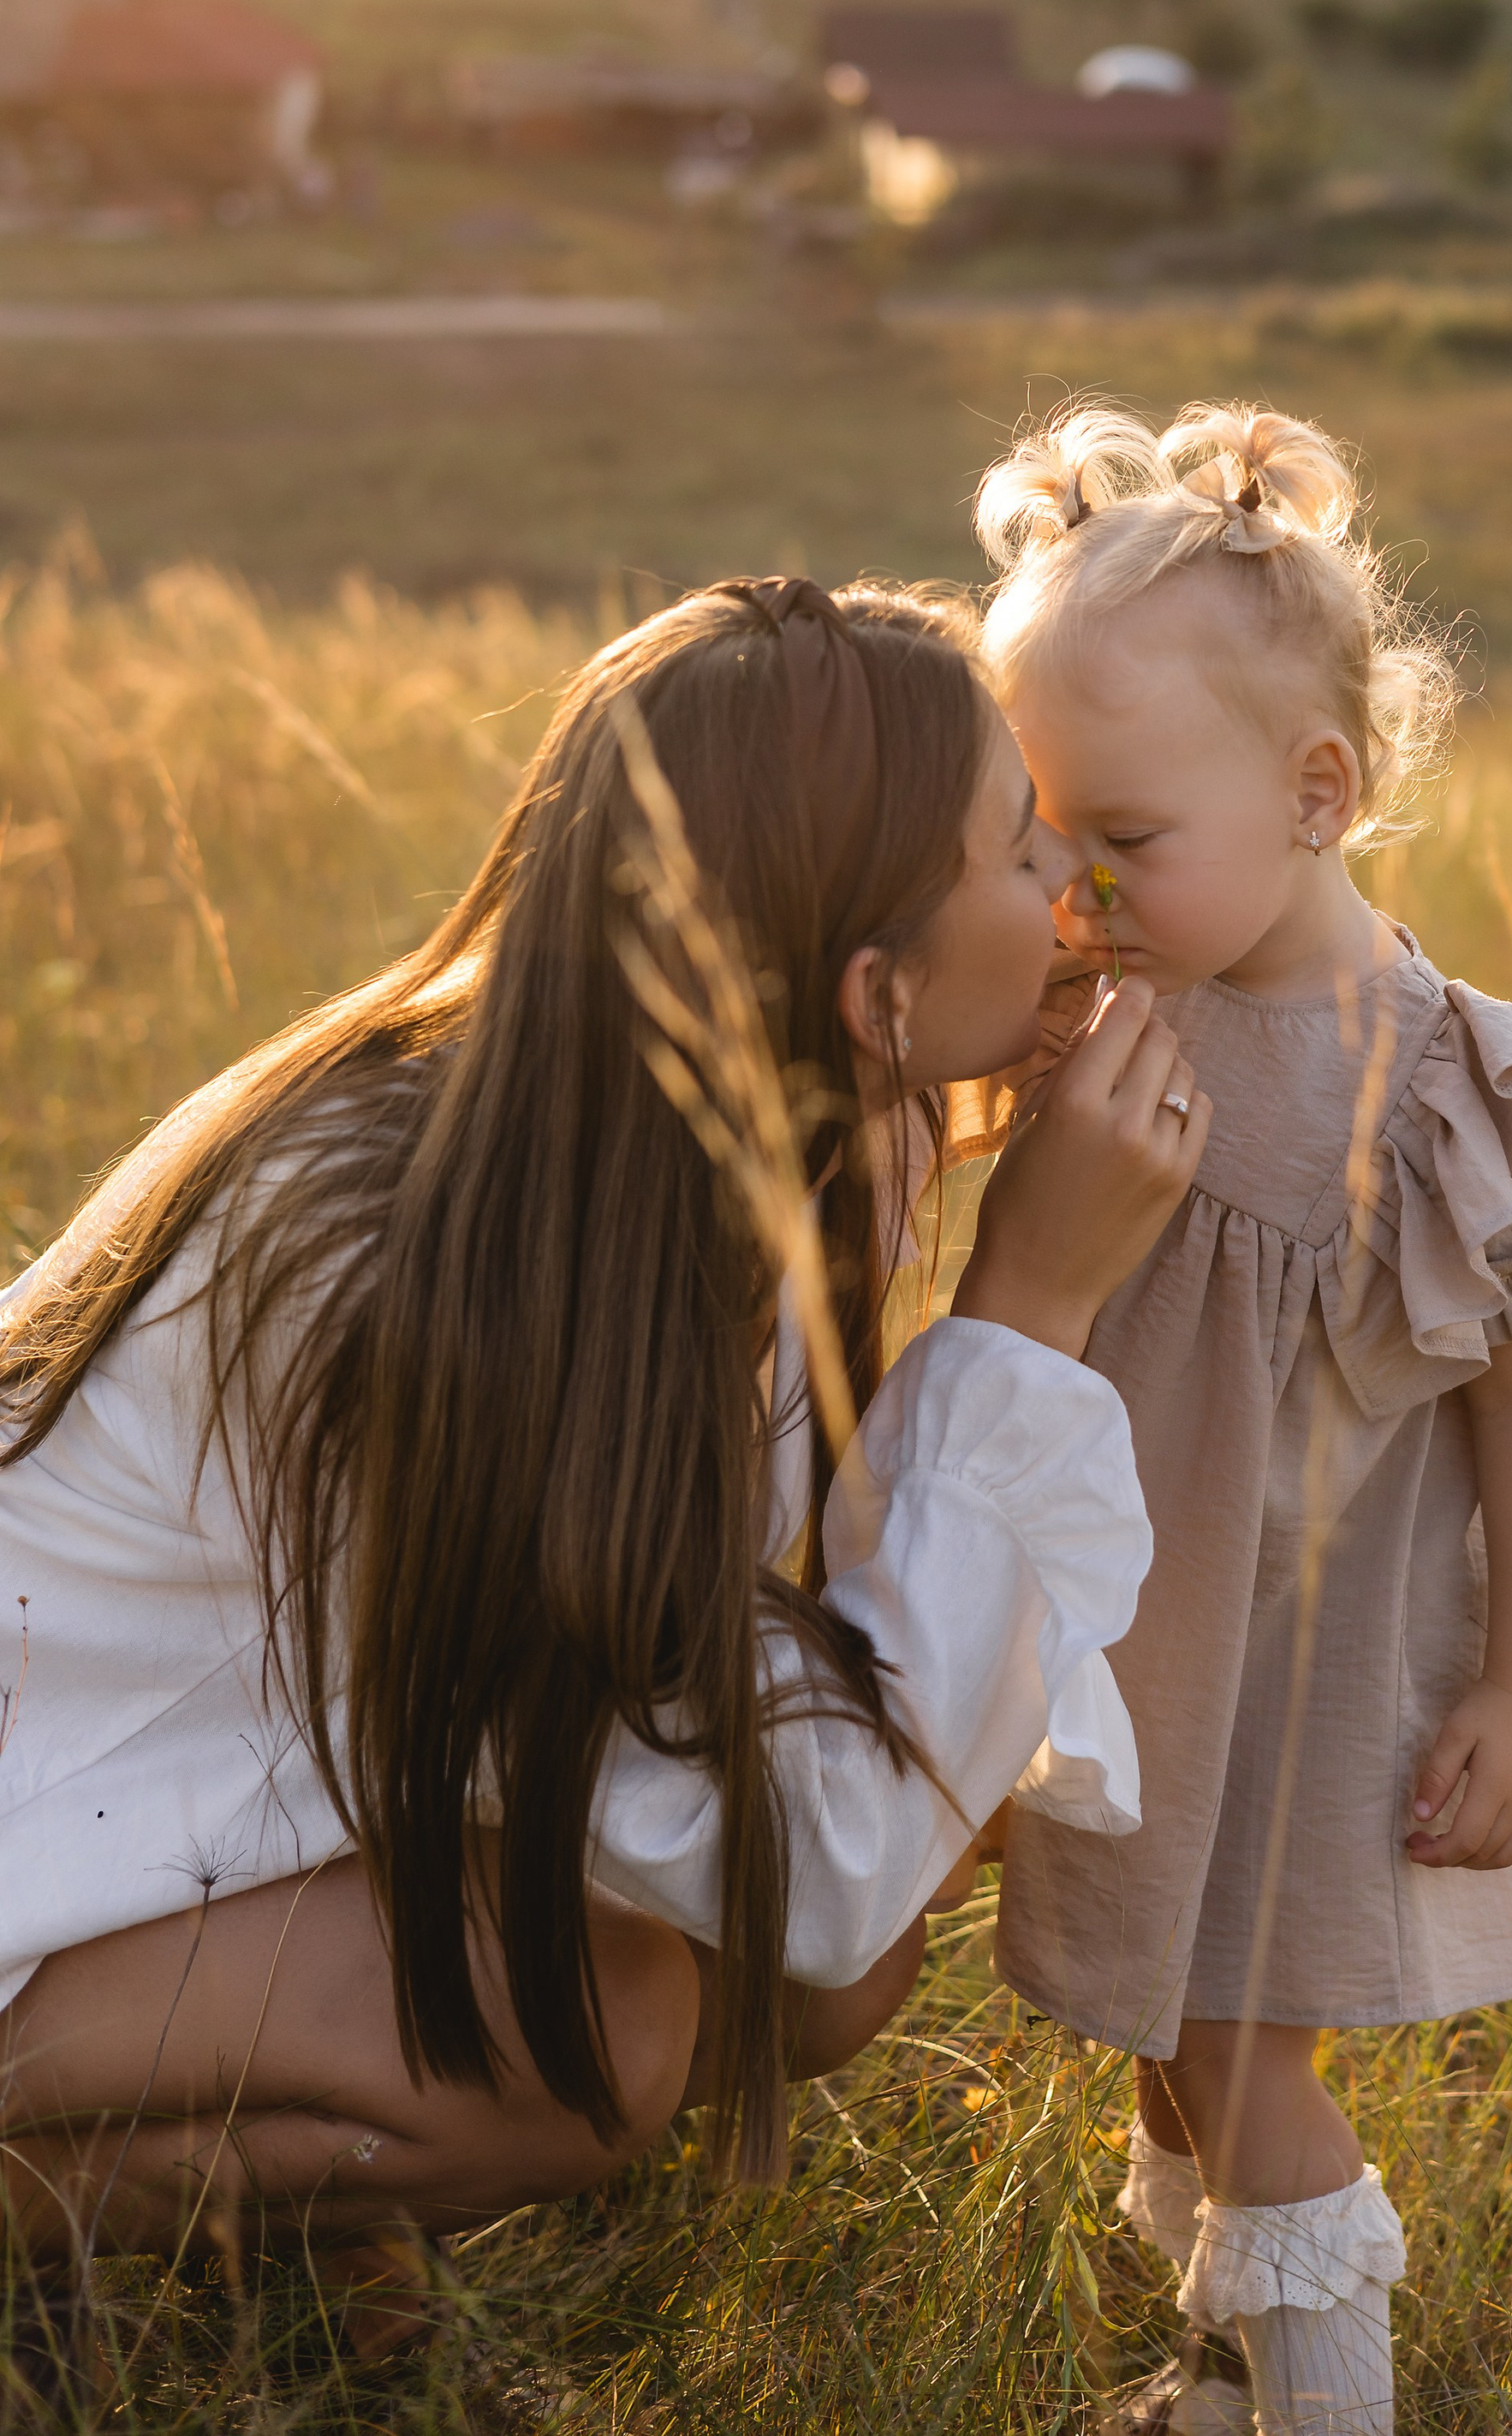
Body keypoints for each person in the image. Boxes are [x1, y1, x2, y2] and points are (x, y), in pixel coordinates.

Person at [0, 576, 1211, 2346]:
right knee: (605, 2041)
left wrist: (903, 1138)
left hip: (224, 1791)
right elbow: (809, 1856)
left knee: (826, 1927)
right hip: (42, 1837)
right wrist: (1027, 1303)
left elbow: (798, 1752)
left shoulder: (660, 1122)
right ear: (869, 991)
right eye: (1016, 847)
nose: (1066, 895)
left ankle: (281, 2204)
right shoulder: (414, 1263)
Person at [970, 408, 1512, 2436]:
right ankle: (1226, 2370)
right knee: (1159, 2037)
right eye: (1036, 839)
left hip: (1305, 1666)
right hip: (1135, 1634)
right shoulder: (1105, 1010)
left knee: (1245, 2051)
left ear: (1316, 791)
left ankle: (1321, 2404)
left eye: (1121, 842)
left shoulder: (1441, 1081)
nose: (1070, 891)